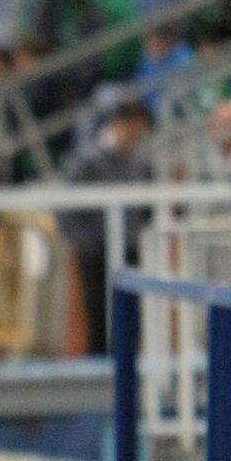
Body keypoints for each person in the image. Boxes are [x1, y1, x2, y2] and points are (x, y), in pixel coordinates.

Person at [57, 100, 153, 355]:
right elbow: (67, 210)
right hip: (96, 254)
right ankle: (99, 374)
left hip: (130, 250)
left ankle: (127, 373)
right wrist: (88, 245)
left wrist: (137, 234)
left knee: (131, 315)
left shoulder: (141, 162)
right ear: (121, 125)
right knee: (97, 313)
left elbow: (149, 207)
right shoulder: (86, 160)